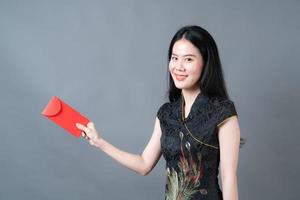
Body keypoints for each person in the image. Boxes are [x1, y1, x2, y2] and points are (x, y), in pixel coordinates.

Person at [76, 25, 244, 200]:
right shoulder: (166, 114)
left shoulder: (222, 112)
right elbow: (144, 165)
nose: (178, 66)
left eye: (188, 59)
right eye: (174, 58)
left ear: (206, 62)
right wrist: (100, 142)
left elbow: (228, 177)